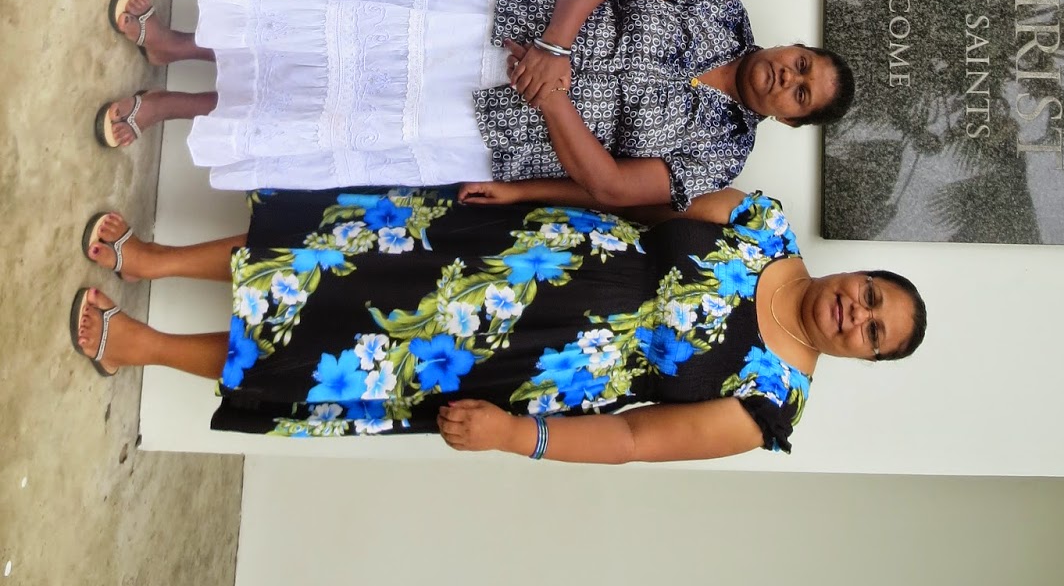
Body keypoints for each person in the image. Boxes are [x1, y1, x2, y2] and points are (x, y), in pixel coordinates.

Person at [70, 185, 927, 458]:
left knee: (340, 356)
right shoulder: (760, 223)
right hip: (519, 250)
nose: (858, 314)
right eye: (873, 296)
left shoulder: (772, 402)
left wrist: (520, 437)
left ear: (863, 356)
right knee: (338, 249)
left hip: (526, 365)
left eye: (872, 333)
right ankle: (151, 260)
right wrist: (525, 191)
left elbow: (636, 441)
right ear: (860, 273)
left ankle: (143, 345)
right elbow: (632, 202)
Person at [96, 0, 855, 212]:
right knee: (341, 38)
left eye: (800, 93)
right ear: (794, 45)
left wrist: (551, 99)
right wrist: (553, 49)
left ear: (788, 119)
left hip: (502, 127)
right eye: (802, 64)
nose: (788, 77)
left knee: (346, 109)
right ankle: (175, 43)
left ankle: (170, 105)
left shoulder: (721, 155)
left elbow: (614, 187)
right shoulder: (718, 4)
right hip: (501, 21)